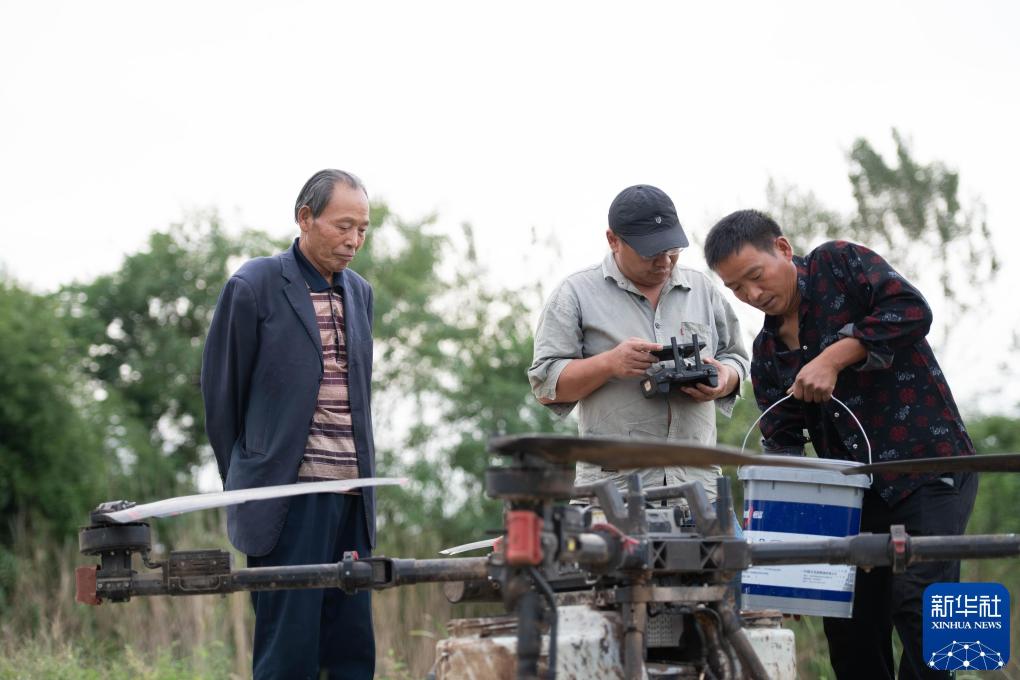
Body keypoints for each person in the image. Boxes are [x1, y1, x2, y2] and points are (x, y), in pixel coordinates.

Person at [704, 209, 977, 680]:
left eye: (755, 276)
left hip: (929, 469)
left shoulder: (838, 264)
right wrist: (783, 568)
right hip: (852, 499)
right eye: (736, 289)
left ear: (783, 249)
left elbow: (912, 309)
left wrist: (835, 356)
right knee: (849, 626)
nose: (752, 295)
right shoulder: (767, 355)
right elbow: (783, 454)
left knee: (920, 606)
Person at [202, 169, 377, 680]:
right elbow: (222, 397)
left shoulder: (361, 293)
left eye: (362, 229)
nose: (354, 240)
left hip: (353, 498)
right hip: (288, 499)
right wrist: (247, 483)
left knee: (351, 652)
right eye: (343, 226)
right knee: (289, 654)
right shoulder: (254, 284)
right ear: (305, 218)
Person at [528, 184, 750, 497]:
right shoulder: (574, 294)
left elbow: (736, 358)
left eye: (672, 249)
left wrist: (725, 378)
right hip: (613, 495)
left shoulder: (702, 289)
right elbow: (545, 386)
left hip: (700, 490)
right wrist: (609, 364)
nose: (665, 262)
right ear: (613, 240)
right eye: (651, 252)